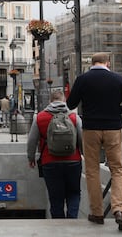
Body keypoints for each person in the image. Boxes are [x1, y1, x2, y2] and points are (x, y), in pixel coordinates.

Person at [67, 52, 122, 231]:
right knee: (117, 169)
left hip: (91, 129)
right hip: (113, 129)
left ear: (92, 63)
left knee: (92, 170)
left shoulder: (83, 79)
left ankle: (97, 213)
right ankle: (119, 209)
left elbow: (71, 103)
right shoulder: (118, 79)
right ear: (107, 62)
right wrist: (114, 108)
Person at [27, 90, 83, 218]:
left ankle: (59, 226)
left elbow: (32, 141)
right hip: (73, 161)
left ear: (50, 101)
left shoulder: (40, 117)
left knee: (55, 197)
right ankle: (72, 220)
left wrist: (31, 158)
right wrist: (83, 154)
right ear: (64, 101)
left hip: (49, 162)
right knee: (74, 193)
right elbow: (82, 140)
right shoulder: (74, 117)